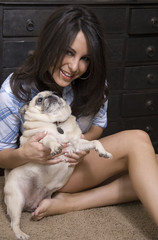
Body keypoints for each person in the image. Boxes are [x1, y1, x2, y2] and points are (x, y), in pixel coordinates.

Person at [0, 5, 158, 226]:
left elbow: (98, 126)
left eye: (85, 58)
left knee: (152, 164)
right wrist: (26, 154)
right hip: (42, 174)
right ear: (50, 44)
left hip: (74, 164)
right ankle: (65, 199)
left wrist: (83, 143)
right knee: (140, 143)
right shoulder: (14, 90)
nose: (75, 67)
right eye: (69, 52)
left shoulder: (95, 83)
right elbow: (2, 154)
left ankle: (73, 202)